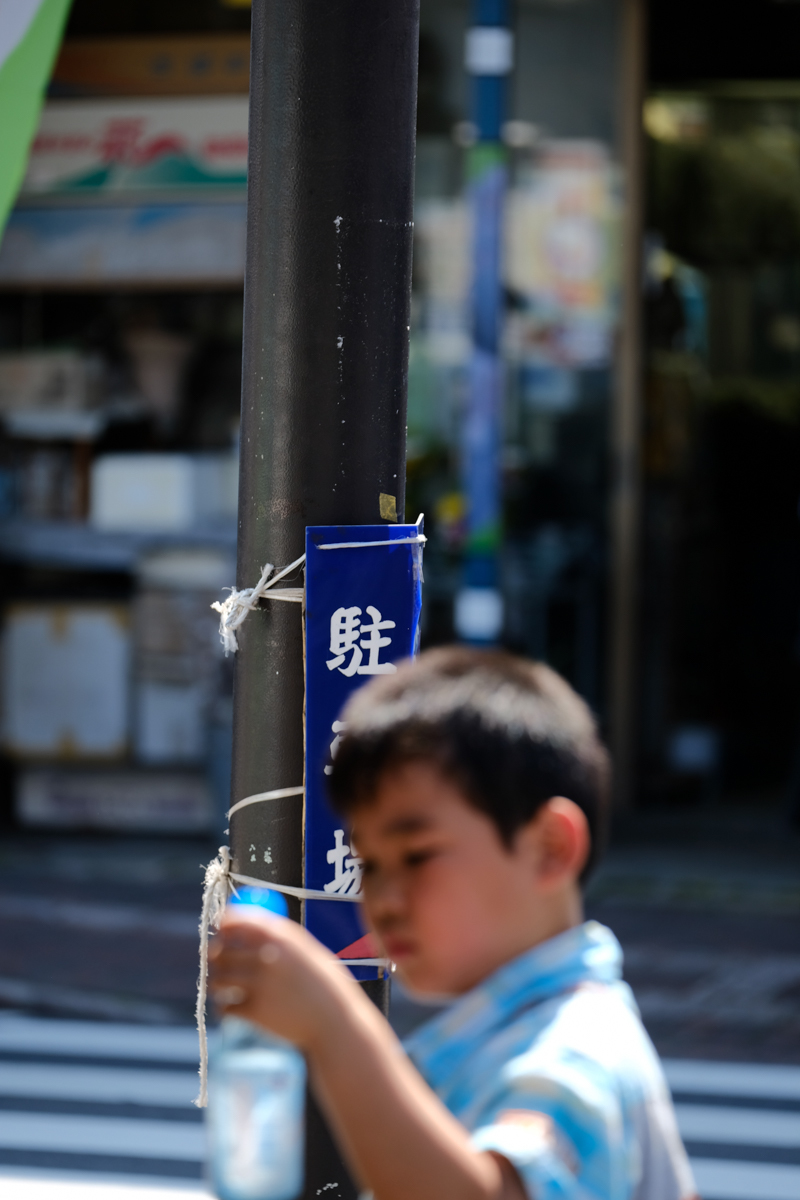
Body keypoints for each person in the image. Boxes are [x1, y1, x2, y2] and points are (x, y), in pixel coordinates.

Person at [209, 647, 696, 1200]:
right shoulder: (529, 1031)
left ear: (550, 849)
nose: (384, 899)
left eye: (417, 856)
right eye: (369, 864)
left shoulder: (573, 1048)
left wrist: (335, 1023)